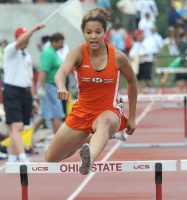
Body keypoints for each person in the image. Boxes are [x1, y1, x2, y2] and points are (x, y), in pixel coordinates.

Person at [45, 8, 138, 175]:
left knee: (105, 122)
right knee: (51, 157)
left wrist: (132, 117)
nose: (93, 36)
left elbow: (132, 81)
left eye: (97, 32)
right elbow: (61, 72)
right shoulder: (78, 52)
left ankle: (89, 159)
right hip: (83, 111)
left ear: (105, 33)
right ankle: (95, 138)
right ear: (83, 33)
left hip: (109, 111)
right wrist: (61, 86)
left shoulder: (118, 57)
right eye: (89, 32)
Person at [3, 23, 44, 162]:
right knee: (17, 125)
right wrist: (33, 29)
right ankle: (22, 156)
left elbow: (30, 79)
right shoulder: (10, 49)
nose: (26, 40)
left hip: (25, 92)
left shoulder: (27, 55)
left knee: (17, 128)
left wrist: (33, 99)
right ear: (17, 38)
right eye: (23, 37)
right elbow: (20, 41)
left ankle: (12, 157)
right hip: (12, 90)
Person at [33, 32, 66, 144]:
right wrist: (41, 88)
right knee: (56, 114)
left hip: (51, 86)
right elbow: (43, 71)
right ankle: (59, 142)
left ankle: (26, 138)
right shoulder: (49, 53)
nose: (62, 45)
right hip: (48, 86)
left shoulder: (53, 52)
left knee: (43, 115)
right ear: (54, 42)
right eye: (60, 43)